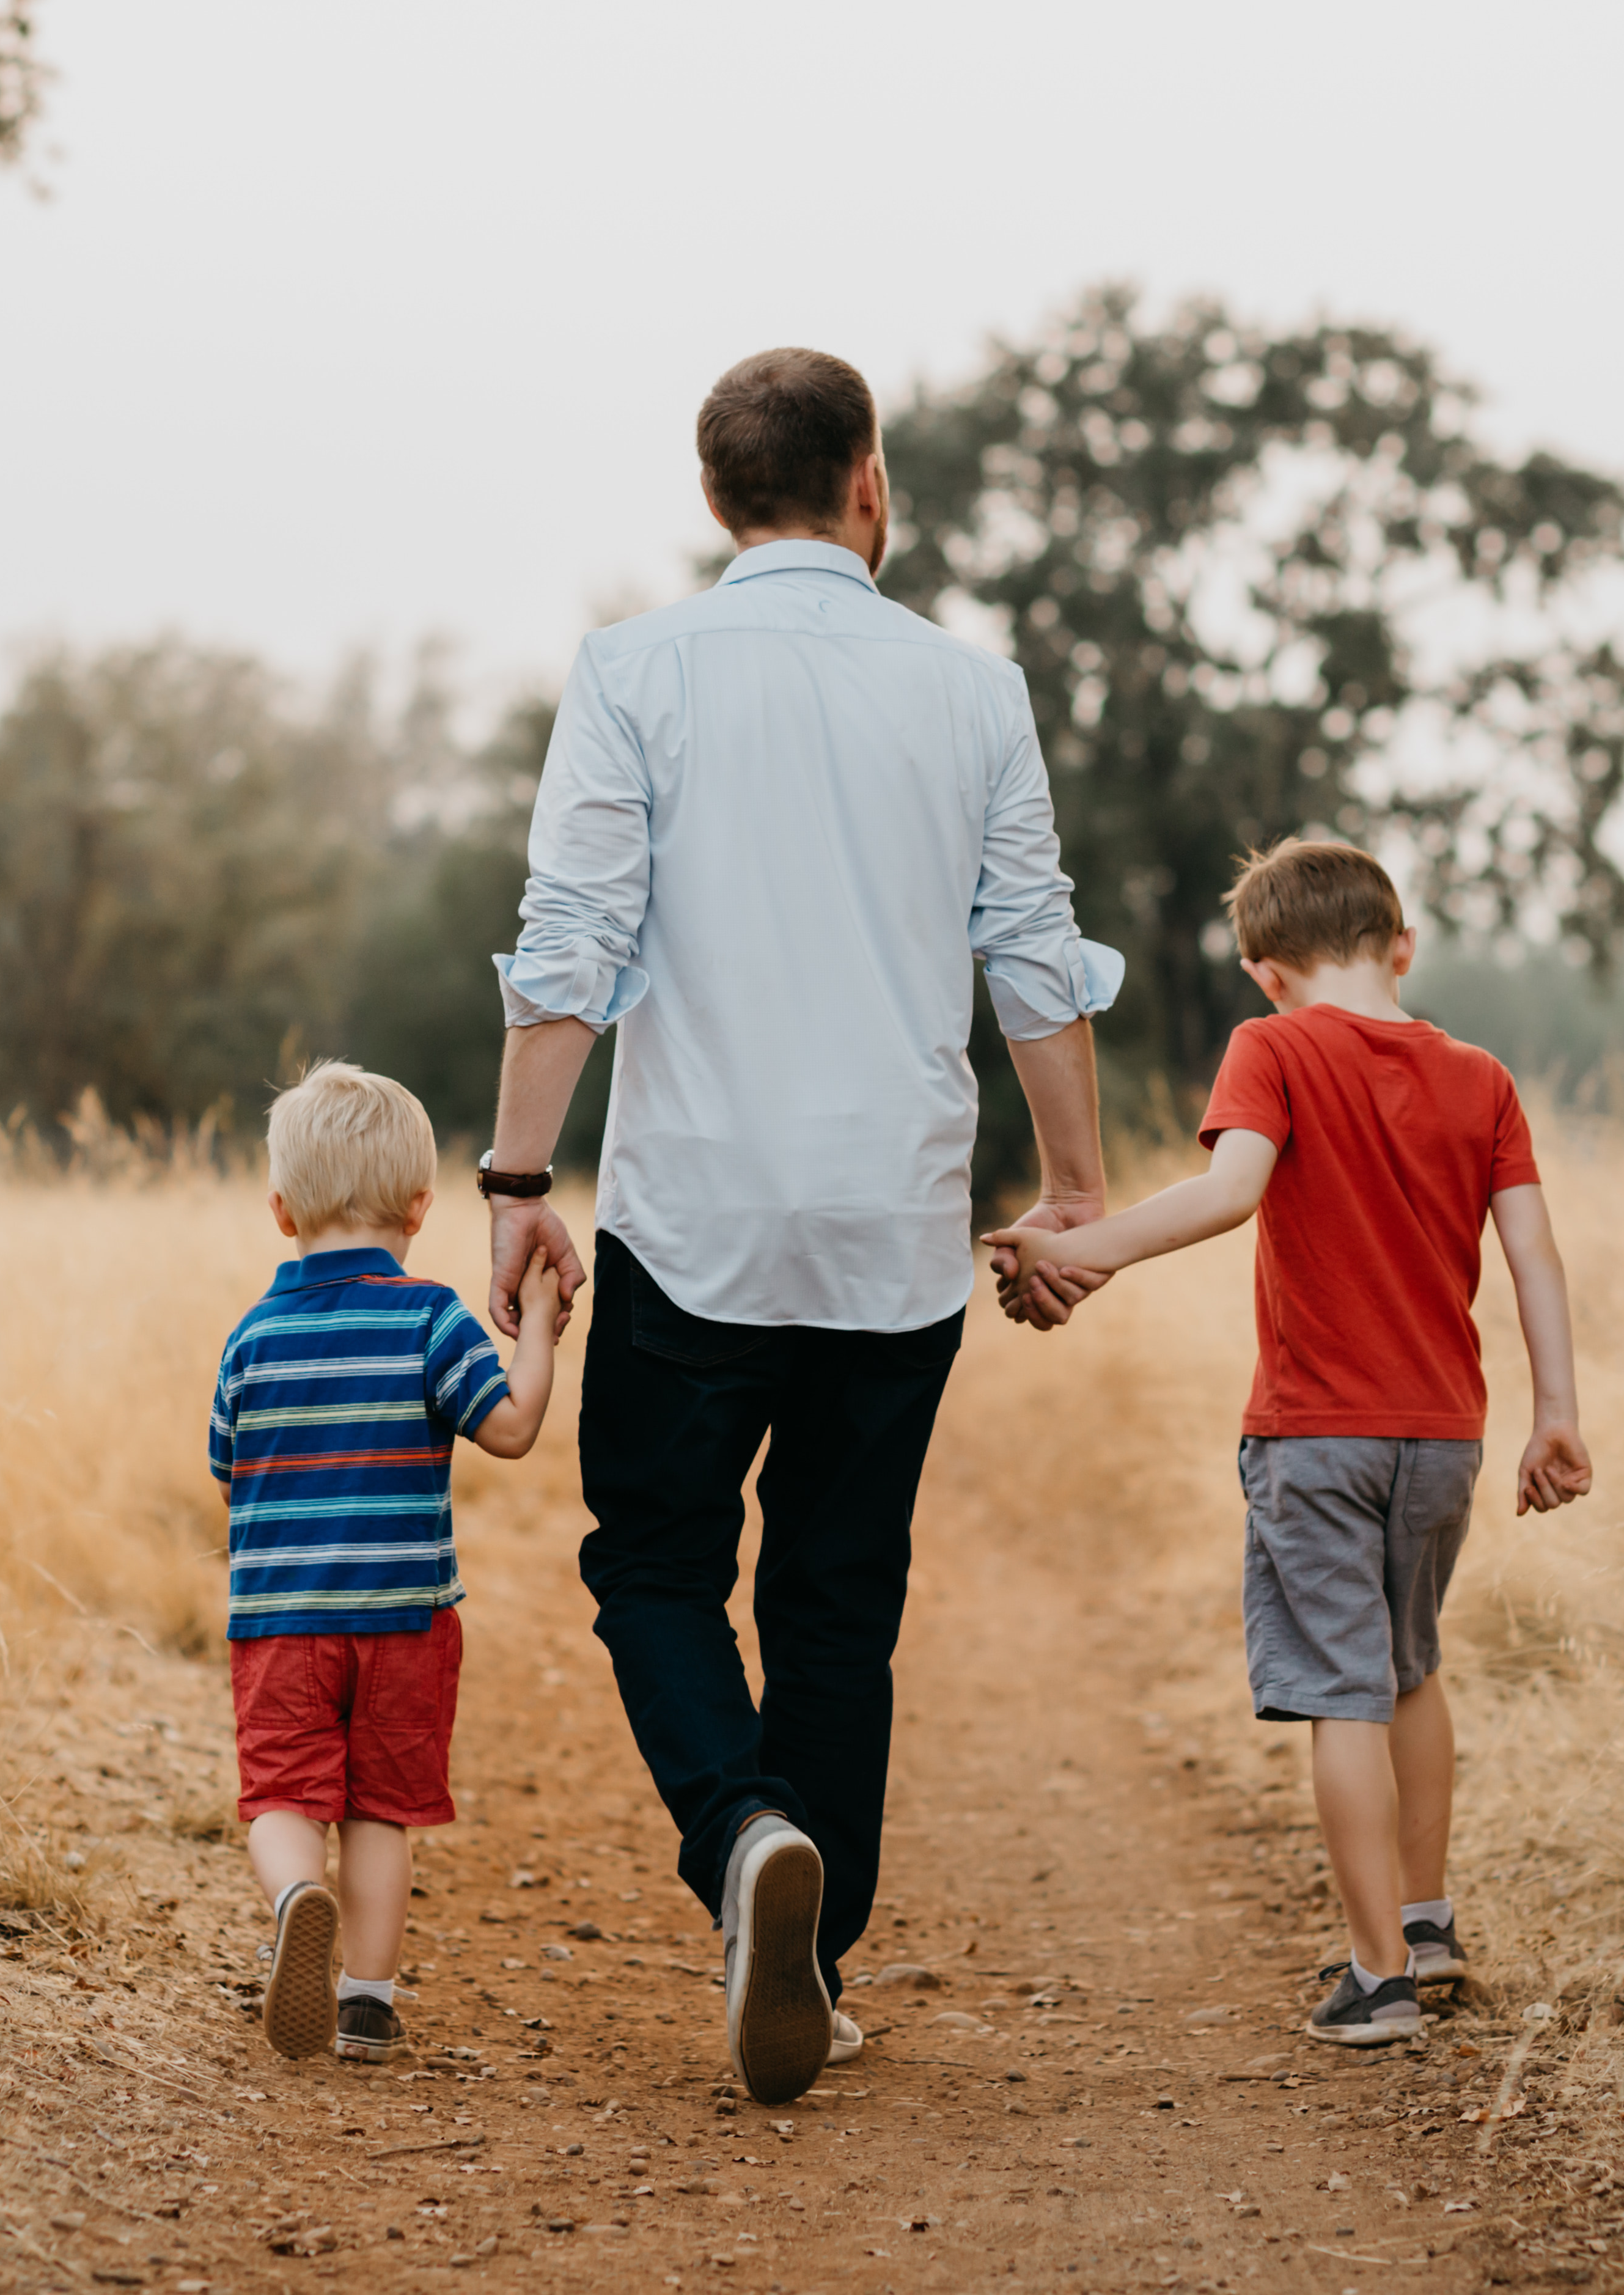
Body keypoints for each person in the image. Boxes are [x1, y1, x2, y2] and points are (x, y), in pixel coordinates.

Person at [479, 347, 1123, 2106]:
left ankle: (746, 1833)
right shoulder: (972, 690)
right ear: (868, 484)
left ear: (712, 499)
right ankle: (813, 1967)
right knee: (838, 1608)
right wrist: (1071, 1195)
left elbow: (571, 947)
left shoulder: (632, 673)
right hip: (893, 1232)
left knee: (656, 1567)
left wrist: (520, 1184)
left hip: (694, 1220)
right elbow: (1032, 959)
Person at [984, 839, 1592, 2047]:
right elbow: (1533, 1254)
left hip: (1317, 1435)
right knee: (1411, 1667)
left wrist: (1073, 1251)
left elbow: (1229, 1192)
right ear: (1402, 946)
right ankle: (1424, 1923)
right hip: (1443, 1438)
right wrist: (1559, 1417)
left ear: (1268, 974)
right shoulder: (1483, 1077)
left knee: (1339, 1693)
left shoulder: (1274, 1047)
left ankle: (1378, 1982)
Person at [213, 1060, 561, 2064]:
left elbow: (225, 1467)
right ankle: (365, 2002)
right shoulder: (431, 1318)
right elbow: (509, 1428)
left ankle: (294, 1901)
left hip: (281, 1626)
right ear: (419, 1205)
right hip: (405, 1622)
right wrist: (535, 1327)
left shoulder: (253, 1339)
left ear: (282, 1212)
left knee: (282, 1796)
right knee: (379, 1810)